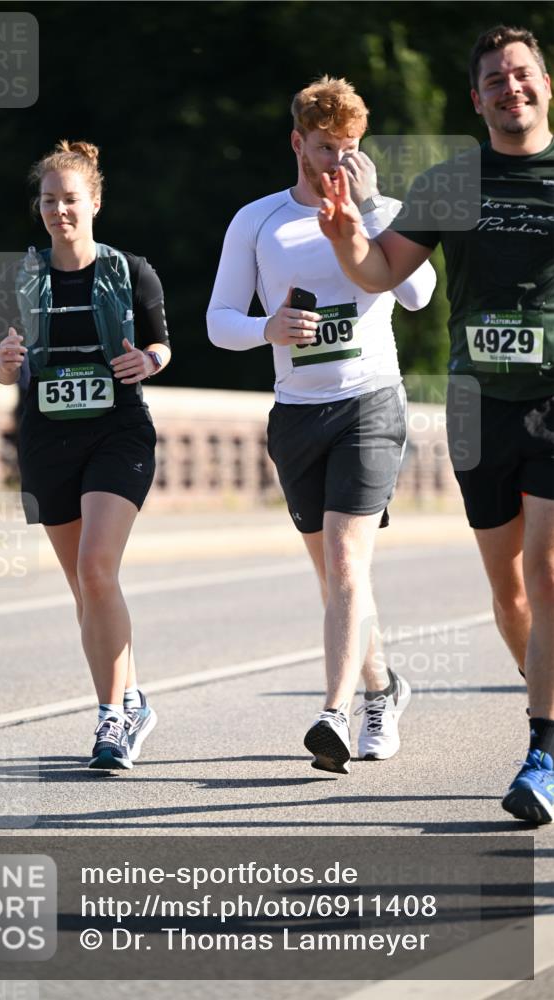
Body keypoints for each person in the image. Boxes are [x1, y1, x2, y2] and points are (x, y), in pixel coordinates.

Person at [318, 26, 554, 822]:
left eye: (520, 75)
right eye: (493, 80)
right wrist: (345, 230)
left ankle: (541, 751)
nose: (508, 89)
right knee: (509, 591)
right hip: (474, 406)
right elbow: (379, 271)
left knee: (545, 569)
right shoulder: (450, 183)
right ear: (476, 99)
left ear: (545, 85)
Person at [207, 77, 436, 774]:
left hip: (369, 401)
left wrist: (368, 210)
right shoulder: (258, 220)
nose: (338, 161)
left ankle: (332, 713)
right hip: (297, 414)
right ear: (296, 143)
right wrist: (265, 326)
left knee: (344, 563)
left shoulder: (384, 208)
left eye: (350, 149)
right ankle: (381, 689)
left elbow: (420, 294)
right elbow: (218, 323)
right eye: (324, 148)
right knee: (339, 578)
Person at [0, 140, 171, 771]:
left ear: (93, 201)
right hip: (46, 439)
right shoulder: (23, 276)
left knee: (97, 568)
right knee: (85, 588)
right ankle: (134, 697)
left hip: (118, 433)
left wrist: (148, 361)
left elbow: (162, 345)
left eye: (70, 199)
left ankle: (111, 721)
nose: (59, 210)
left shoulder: (131, 270)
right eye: (48, 200)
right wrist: (4, 364)